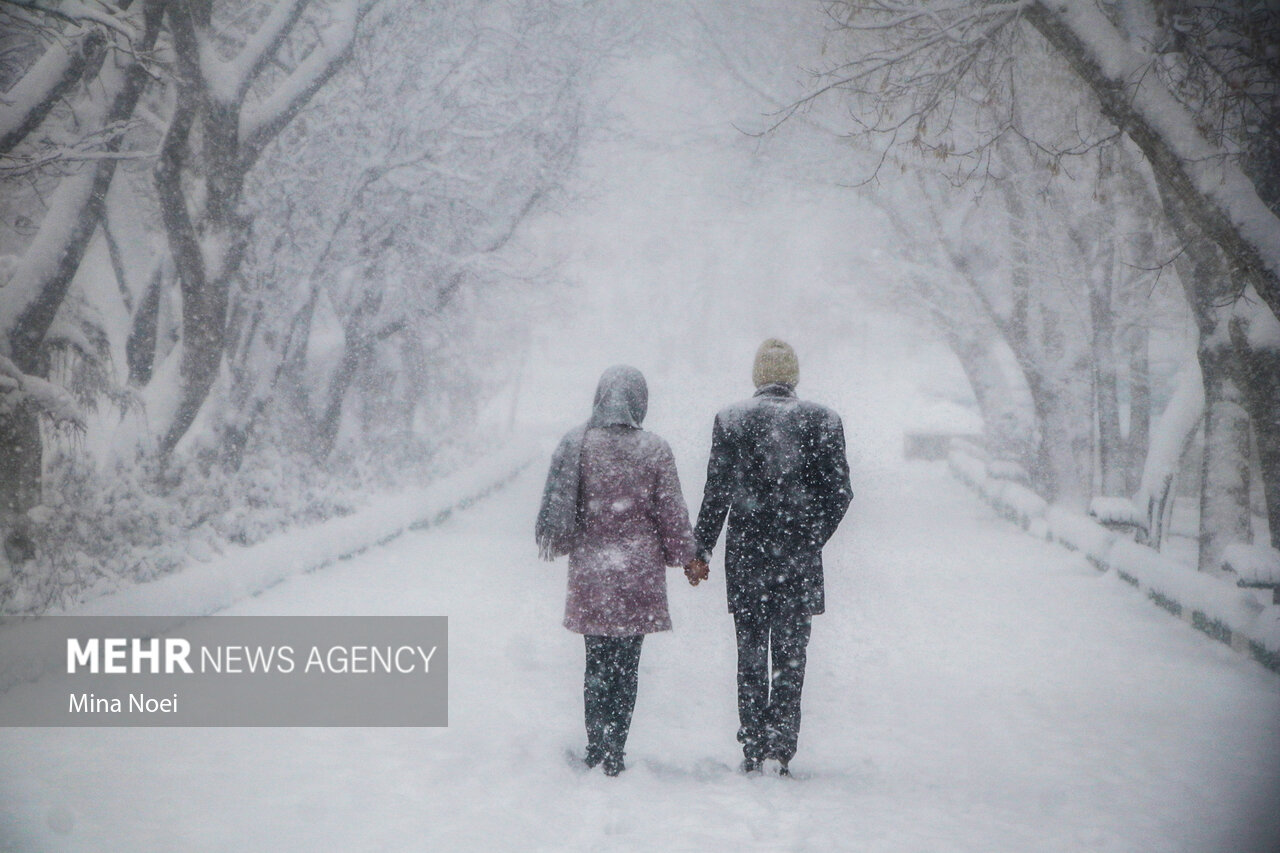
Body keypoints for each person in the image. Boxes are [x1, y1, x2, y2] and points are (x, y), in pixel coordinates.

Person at [684, 339, 852, 776]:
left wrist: (700, 550)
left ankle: (754, 745)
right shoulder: (823, 421)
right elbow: (840, 494)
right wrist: (810, 536)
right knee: (792, 658)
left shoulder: (732, 421)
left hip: (748, 561)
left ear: (757, 376)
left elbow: (716, 493)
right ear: (793, 376)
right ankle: (783, 746)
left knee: (751, 654)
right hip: (798, 562)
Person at [536, 365, 696, 777]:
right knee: (627, 666)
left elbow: (563, 510)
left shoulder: (578, 445)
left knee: (596, 664)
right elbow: (672, 515)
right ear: (639, 401)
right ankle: (616, 748)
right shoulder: (655, 449)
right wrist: (688, 558)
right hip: (638, 574)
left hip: (593, 570)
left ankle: (597, 744)